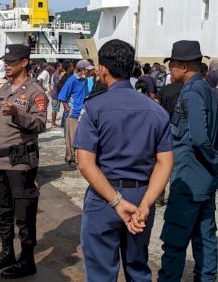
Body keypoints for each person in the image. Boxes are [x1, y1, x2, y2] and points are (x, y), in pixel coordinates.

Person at [74, 39, 173, 281]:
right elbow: (165, 163)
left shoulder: (94, 108)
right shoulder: (157, 111)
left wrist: (117, 201)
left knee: (100, 272)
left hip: (104, 196)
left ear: (103, 70)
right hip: (141, 196)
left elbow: (85, 163)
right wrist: (146, 204)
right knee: (138, 268)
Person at [159, 41, 218, 282]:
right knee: (205, 238)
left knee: (175, 240)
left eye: (172, 65)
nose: (170, 70)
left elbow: (200, 138)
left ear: (182, 65)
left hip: (189, 181)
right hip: (205, 180)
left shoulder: (191, 92)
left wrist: (214, 159)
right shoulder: (207, 89)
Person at [0, 44, 48, 278]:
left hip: (20, 163)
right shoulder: (4, 89)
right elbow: (2, 122)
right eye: (5, 62)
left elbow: (40, 124)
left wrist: (18, 114)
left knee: (24, 213)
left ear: (24, 62)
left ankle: (27, 259)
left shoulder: (35, 92)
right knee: (2, 210)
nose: (6, 65)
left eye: (11, 62)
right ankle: (7, 252)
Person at [58, 59, 91, 165]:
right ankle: (70, 157)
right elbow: (63, 96)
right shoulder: (72, 80)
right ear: (82, 70)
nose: (89, 72)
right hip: (73, 113)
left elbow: (86, 95)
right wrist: (68, 109)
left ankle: (77, 157)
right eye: (87, 70)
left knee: (79, 136)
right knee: (72, 137)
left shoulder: (84, 80)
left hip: (82, 112)